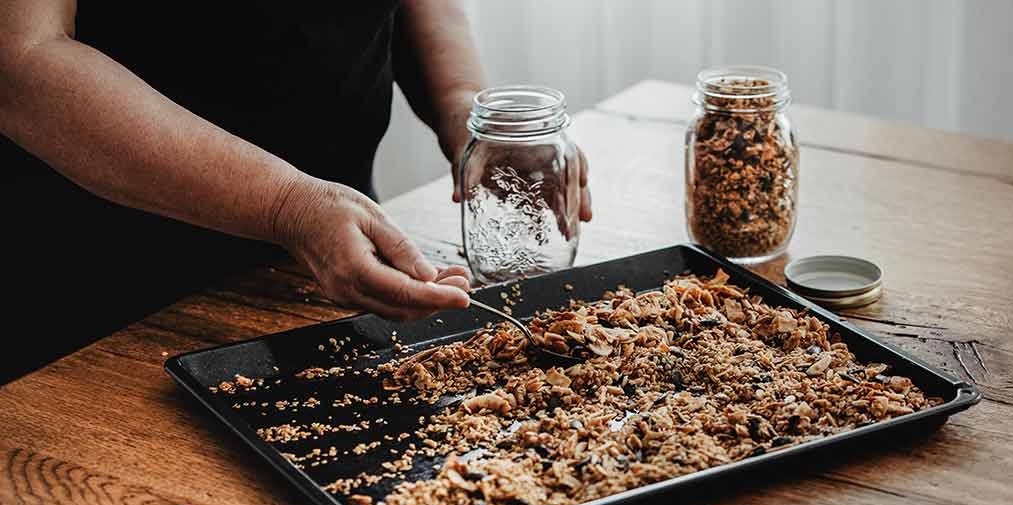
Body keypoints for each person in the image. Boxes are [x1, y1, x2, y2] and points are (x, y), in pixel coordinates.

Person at [0, 1, 594, 383]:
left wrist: (470, 114)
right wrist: (288, 204)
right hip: (103, 292)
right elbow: (21, 60)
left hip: (327, 272)